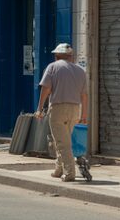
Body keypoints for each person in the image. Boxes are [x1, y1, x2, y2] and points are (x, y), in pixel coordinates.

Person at [34, 43, 88, 182]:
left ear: (57, 56)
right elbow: (84, 95)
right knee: (63, 139)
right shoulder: (80, 71)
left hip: (58, 108)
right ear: (71, 56)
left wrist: (39, 109)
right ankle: (58, 169)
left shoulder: (52, 67)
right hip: (75, 109)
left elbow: (46, 89)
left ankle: (70, 173)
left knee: (62, 142)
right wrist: (84, 115)